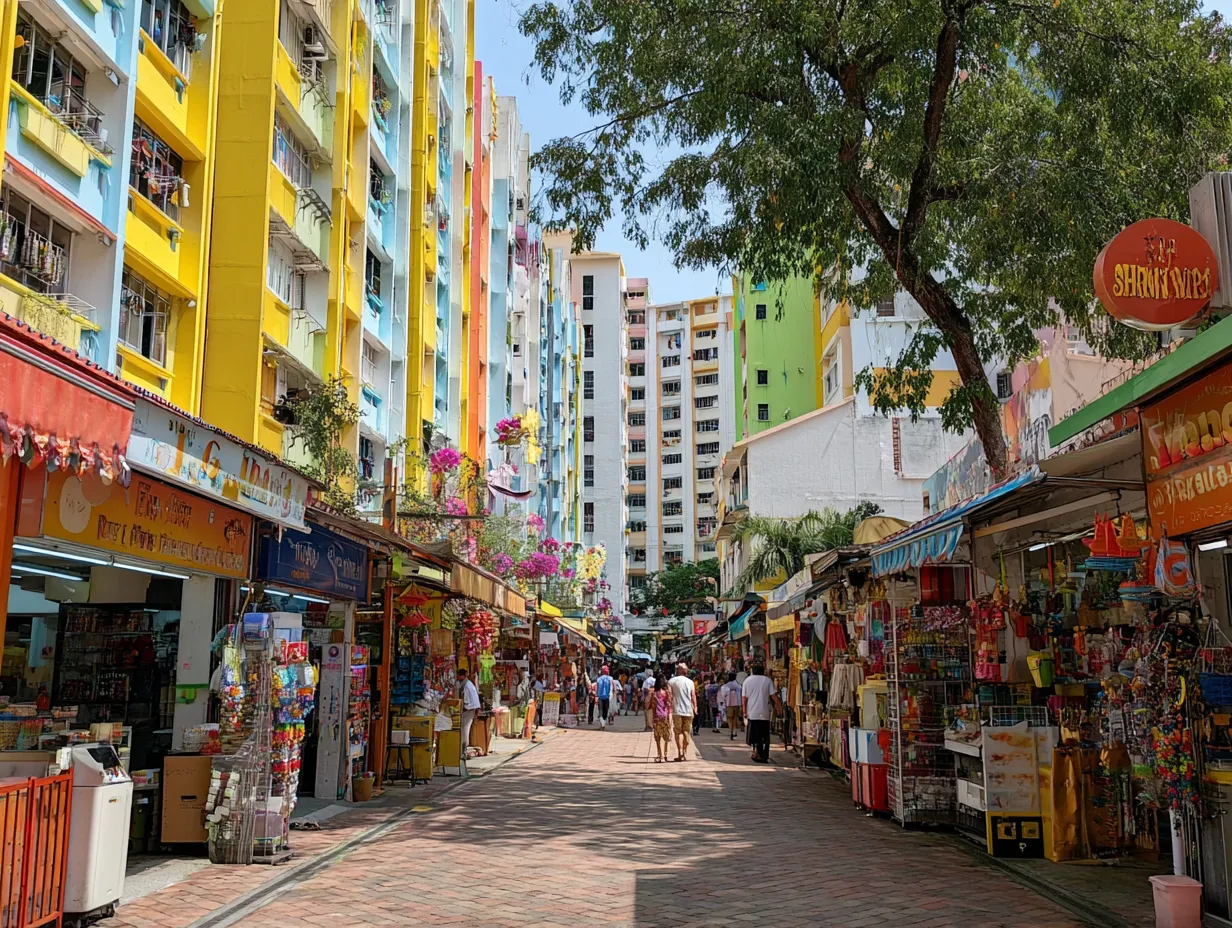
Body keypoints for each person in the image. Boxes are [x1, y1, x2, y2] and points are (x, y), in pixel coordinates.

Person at [742, 663, 778, 763]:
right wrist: (779, 708)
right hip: (764, 713)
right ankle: (763, 755)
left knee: (753, 735)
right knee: (764, 736)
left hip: (752, 713)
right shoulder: (767, 680)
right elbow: (774, 696)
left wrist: (744, 712)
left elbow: (744, 698)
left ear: (753, 671)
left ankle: (755, 752)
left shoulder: (747, 681)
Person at [667, 663, 697, 761]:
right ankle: (684, 752)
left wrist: (669, 708)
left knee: (678, 731)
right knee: (686, 732)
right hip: (688, 710)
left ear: (678, 671)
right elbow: (693, 696)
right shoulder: (690, 682)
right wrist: (695, 707)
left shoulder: (671, 681)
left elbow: (670, 696)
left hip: (677, 710)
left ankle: (680, 751)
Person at [457, 668, 481, 756]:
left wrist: (461, 709)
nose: (458, 678)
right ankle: (464, 748)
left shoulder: (467, 686)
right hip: (472, 709)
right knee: (465, 728)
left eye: (459, 676)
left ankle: (463, 749)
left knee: (464, 729)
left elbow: (466, 701)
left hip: (469, 709)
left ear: (462, 676)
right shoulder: (468, 684)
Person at [651, 676, 673, 762]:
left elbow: (653, 707)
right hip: (665, 717)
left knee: (657, 737)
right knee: (666, 736)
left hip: (657, 717)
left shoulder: (654, 694)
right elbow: (669, 705)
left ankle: (660, 755)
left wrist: (653, 718)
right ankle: (666, 754)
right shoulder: (667, 693)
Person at [721, 673, 742, 740]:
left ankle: (731, 731)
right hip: (737, 704)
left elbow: (723, 696)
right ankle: (734, 731)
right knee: (735, 718)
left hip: (728, 704)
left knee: (729, 718)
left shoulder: (725, 686)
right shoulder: (739, 686)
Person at [595, 665, 616, 729]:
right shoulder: (610, 678)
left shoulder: (598, 679)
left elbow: (597, 688)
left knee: (600, 710)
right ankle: (603, 723)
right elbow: (613, 688)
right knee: (605, 711)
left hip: (600, 697)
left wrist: (596, 696)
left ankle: (602, 724)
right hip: (607, 697)